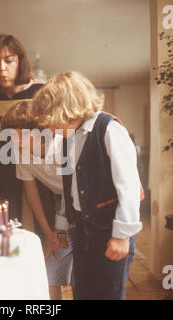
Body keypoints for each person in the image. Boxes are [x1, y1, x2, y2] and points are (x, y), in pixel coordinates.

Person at [32, 71, 142, 300]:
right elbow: (68, 189)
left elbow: (129, 187)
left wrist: (122, 235)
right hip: (80, 231)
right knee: (82, 292)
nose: (50, 129)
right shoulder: (66, 139)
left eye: (52, 122)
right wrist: (62, 226)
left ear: (67, 110)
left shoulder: (109, 130)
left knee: (107, 294)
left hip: (109, 230)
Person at [1, 100, 75, 300]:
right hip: (60, 203)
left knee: (81, 272)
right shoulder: (20, 153)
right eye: (11, 136)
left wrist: (59, 230)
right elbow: (31, 193)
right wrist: (50, 233)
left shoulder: (63, 144)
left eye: (20, 136)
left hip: (80, 203)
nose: (14, 142)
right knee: (49, 267)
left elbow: (74, 192)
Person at [0, 33, 52, 230]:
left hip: (34, 170)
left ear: (21, 60)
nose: (2, 68)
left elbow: (50, 137)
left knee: (37, 226)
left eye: (8, 61)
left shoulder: (40, 91)